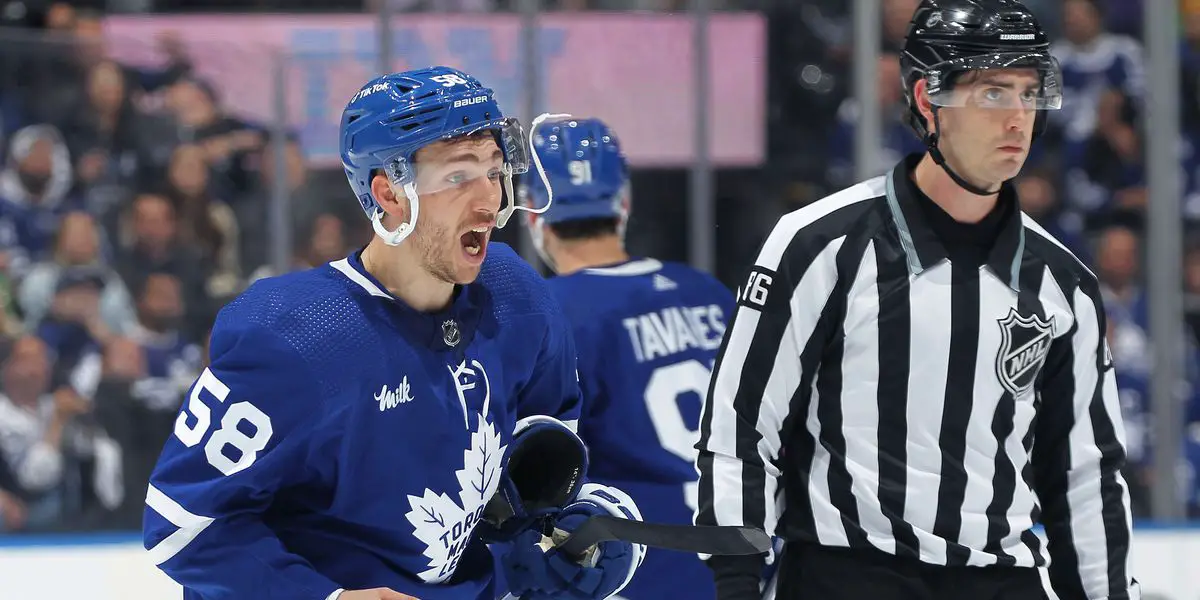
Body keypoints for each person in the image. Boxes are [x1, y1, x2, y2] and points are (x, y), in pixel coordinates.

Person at [142, 66, 646, 600]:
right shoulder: (297, 336)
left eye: (495, 171)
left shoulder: (517, 297)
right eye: (457, 177)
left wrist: (570, 528)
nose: (491, 203)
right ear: (390, 195)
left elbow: (540, 460)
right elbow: (183, 525)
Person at [693, 1, 1138, 599]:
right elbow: (742, 426)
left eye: (1029, 94)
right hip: (847, 576)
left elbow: (1085, 477)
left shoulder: (1065, 284)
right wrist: (736, 581)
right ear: (929, 101)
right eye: (992, 94)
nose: (1018, 120)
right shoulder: (822, 245)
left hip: (1000, 580)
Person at [518, 117, 737, 599]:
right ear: (623, 203)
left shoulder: (547, 312)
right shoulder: (707, 291)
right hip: (741, 556)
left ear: (533, 212)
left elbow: (535, 472)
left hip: (637, 565)